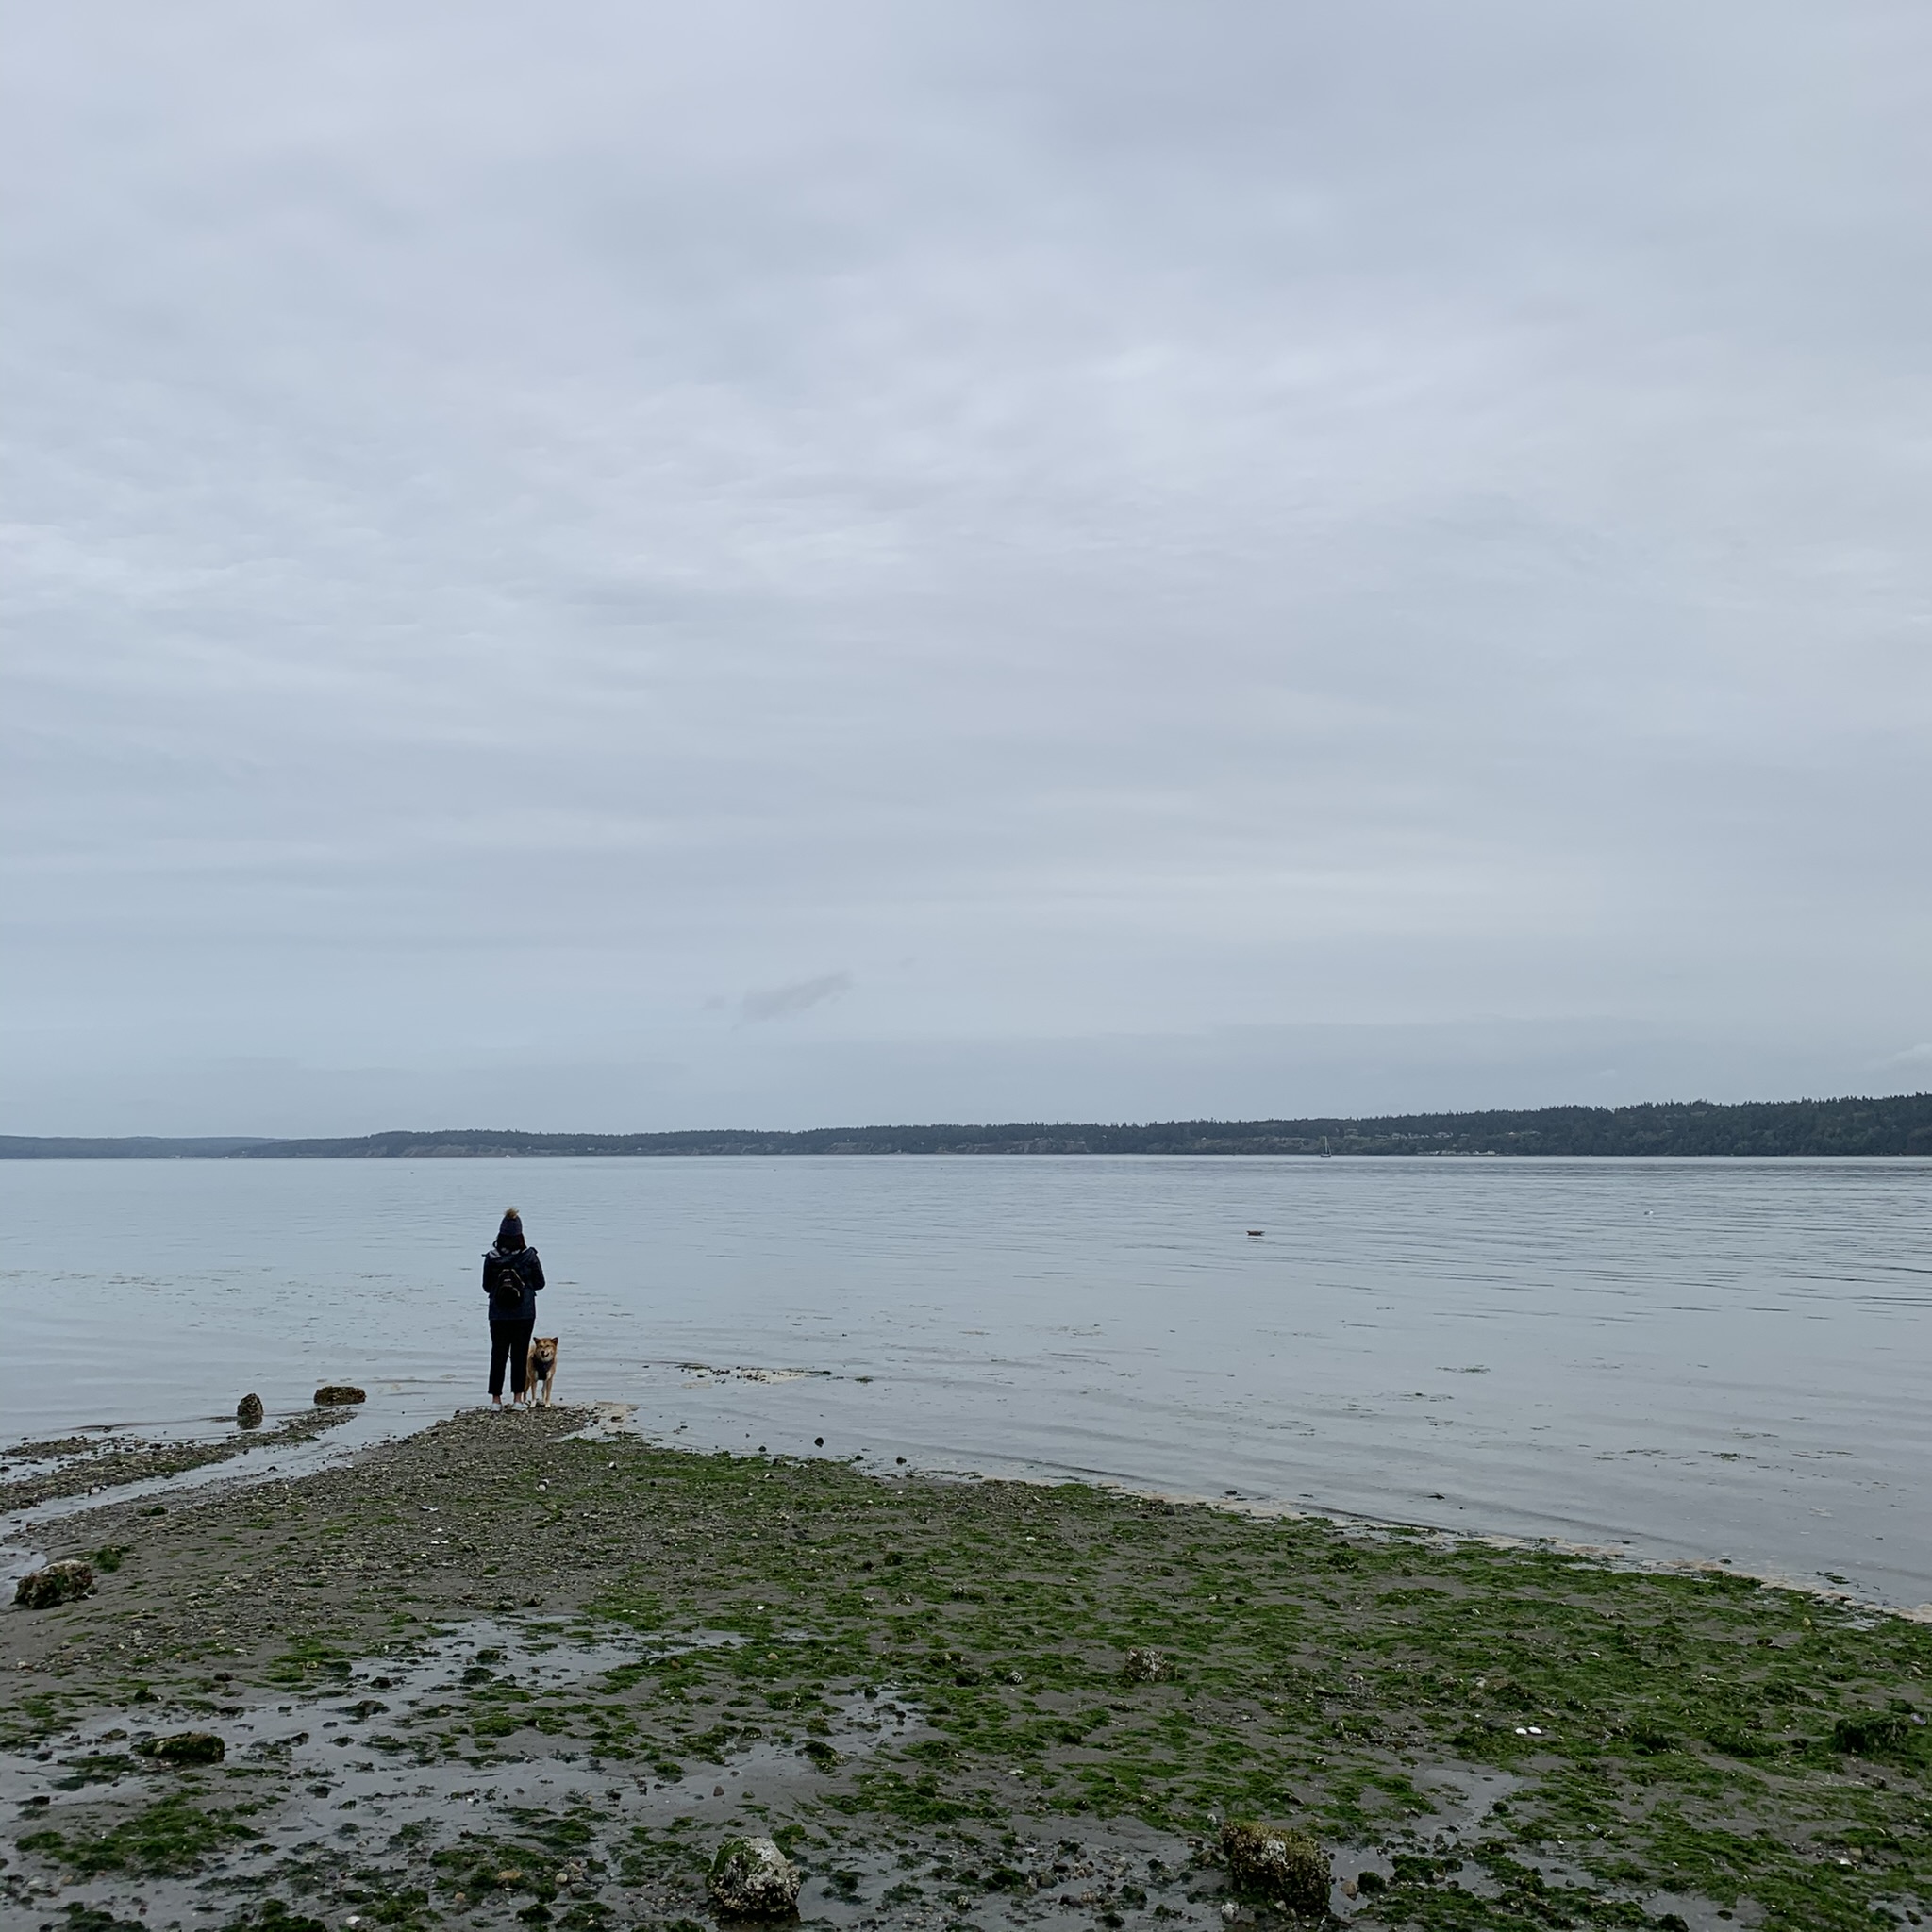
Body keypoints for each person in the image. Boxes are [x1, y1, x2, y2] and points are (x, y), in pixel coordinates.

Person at [483, 1208, 545, 1407]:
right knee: (519, 1354)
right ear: (520, 1234)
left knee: (498, 1354)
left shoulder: (492, 1257)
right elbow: (540, 1283)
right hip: (524, 1312)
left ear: (500, 1235)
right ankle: (518, 1399)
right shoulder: (529, 1256)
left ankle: (496, 1400)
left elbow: (486, 1286)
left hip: (498, 1313)